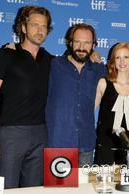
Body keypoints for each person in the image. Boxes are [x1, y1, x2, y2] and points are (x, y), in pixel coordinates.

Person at [0, 6, 53, 188]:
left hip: (41, 133)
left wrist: (95, 56)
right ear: (23, 27)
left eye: (44, 26)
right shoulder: (5, 55)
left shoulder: (51, 60)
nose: (40, 30)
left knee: (33, 192)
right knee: (7, 190)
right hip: (11, 133)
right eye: (35, 25)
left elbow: (77, 62)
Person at [45, 23, 107, 167]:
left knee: (84, 189)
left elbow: (124, 82)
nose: (81, 47)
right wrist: (12, 47)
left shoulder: (99, 70)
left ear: (93, 45)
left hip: (86, 142)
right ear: (70, 42)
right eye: (78, 41)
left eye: (87, 43)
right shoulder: (53, 65)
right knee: (60, 188)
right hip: (58, 143)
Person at [94, 42, 129, 165]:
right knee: (105, 184)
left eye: (126, 57)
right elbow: (90, 110)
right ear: (113, 61)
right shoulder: (103, 83)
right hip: (107, 146)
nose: (122, 61)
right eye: (118, 57)